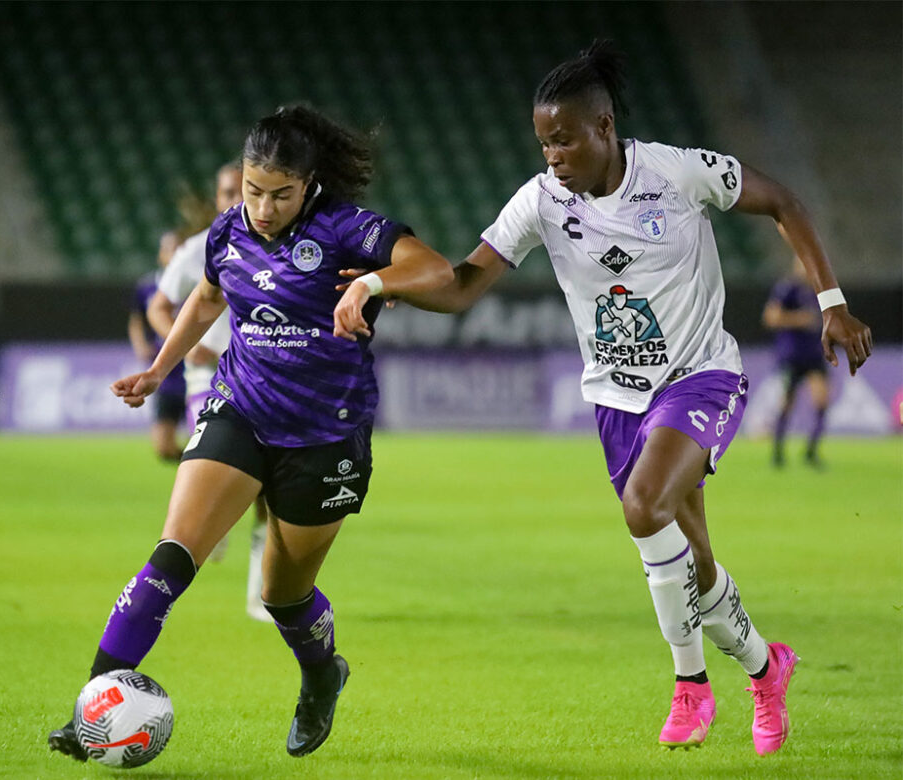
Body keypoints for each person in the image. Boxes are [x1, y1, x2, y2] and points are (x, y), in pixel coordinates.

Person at [372, 41, 872, 755]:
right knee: (693, 564)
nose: (553, 156)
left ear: (605, 127)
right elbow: (460, 286)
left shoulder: (677, 172)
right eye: (545, 142)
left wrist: (831, 301)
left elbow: (783, 202)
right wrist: (390, 288)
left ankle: (690, 687)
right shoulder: (540, 203)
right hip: (617, 401)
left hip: (701, 376)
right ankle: (767, 668)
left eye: (565, 139)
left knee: (644, 508)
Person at [48, 104, 454, 761]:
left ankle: (323, 673)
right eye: (251, 189)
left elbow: (437, 272)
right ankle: (91, 707)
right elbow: (207, 298)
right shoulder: (226, 232)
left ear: (310, 183)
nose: (261, 208)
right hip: (240, 408)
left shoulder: (348, 229)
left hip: (326, 434)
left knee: (283, 596)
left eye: (280, 195)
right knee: (172, 557)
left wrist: (371, 284)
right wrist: (159, 369)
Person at [148, 162, 274, 621]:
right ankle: (214, 516)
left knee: (268, 495)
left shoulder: (281, 248)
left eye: (240, 191)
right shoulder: (198, 249)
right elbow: (158, 305)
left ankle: (261, 594)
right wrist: (187, 347)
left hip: (263, 382)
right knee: (226, 471)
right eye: (226, 193)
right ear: (216, 199)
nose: (234, 201)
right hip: (209, 383)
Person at [763, 257, 831, 468]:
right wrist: (799, 319)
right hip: (792, 355)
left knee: (822, 400)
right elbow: (770, 317)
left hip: (815, 354)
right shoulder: (787, 289)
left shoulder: (820, 290)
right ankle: (778, 452)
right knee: (787, 404)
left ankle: (811, 451)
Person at [128, 229, 187, 461]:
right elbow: (136, 320)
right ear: (160, 255)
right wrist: (140, 345)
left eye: (178, 249)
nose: (173, 254)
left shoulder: (199, 281)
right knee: (163, 448)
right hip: (166, 371)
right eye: (169, 249)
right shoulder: (147, 286)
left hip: (198, 367)